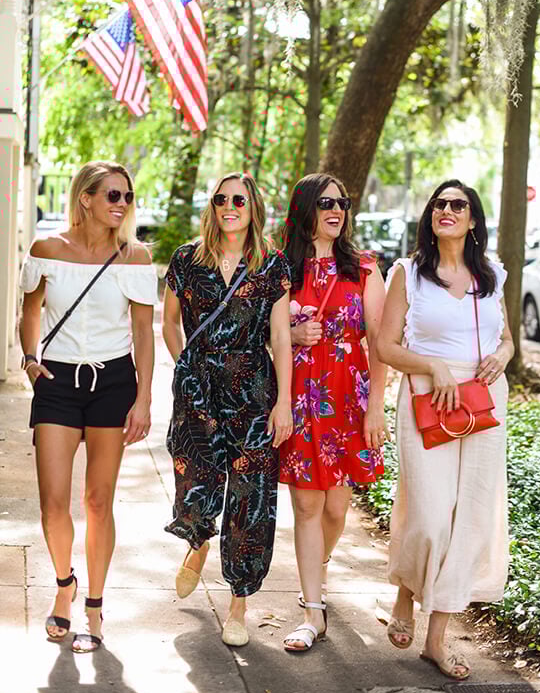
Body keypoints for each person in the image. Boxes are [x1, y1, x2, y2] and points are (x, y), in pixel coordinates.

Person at [377, 179, 514, 680]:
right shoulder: (408, 274)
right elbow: (386, 346)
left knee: (472, 517)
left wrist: (502, 355)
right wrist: (433, 366)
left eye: (458, 205)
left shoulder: (492, 274)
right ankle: (405, 590)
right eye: (439, 204)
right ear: (430, 217)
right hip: (426, 397)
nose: (447, 210)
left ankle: (437, 637)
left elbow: (506, 341)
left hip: (483, 402)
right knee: (431, 515)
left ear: (473, 220)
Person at [19, 161, 158, 653]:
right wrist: (31, 358)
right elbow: (30, 310)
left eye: (126, 196)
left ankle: (94, 606)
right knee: (53, 503)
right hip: (57, 382)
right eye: (112, 195)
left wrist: (143, 397)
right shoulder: (47, 251)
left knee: (98, 501)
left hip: (113, 383)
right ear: (86, 199)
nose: (121, 204)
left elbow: (144, 332)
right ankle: (64, 585)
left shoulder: (136, 257)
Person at [162, 171, 292, 648]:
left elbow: (280, 337)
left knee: (251, 495)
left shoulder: (272, 265)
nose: (229, 206)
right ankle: (197, 540)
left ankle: (238, 603)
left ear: (253, 206)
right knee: (195, 473)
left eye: (239, 199)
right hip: (198, 387)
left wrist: (284, 402)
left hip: (255, 389)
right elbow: (170, 323)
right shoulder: (186, 260)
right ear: (212, 207)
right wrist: (185, 369)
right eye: (221, 199)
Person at [278, 172, 388, 652]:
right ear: (305, 209)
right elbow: (264, 331)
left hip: (347, 398)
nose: (336, 209)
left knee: (337, 508)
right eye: (326, 202)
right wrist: (288, 336)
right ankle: (312, 611)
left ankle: (316, 570)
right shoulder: (281, 268)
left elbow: (381, 344)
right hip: (301, 394)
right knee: (307, 503)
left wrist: (377, 406)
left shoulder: (364, 268)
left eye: (342, 201)